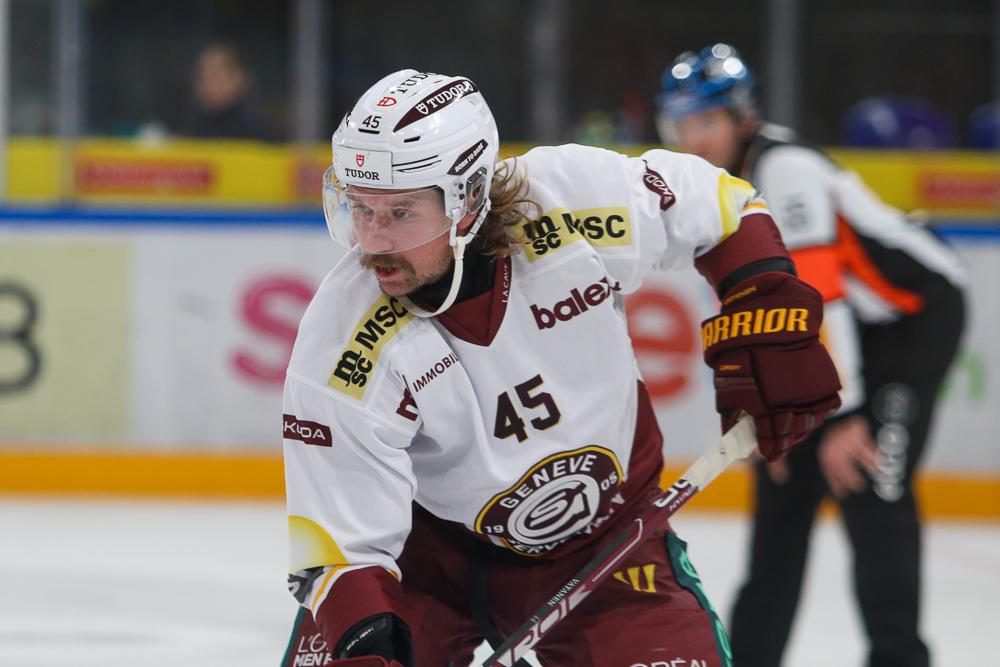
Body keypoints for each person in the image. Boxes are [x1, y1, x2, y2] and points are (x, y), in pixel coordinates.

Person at [280, 69, 841, 667]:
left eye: (400, 213)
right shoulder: (339, 346)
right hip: (422, 564)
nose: (371, 242)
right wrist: (366, 643)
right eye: (358, 208)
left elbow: (723, 207)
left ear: (468, 199)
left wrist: (766, 307)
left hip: (607, 542)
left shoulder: (566, 201)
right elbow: (340, 549)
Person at [657, 45, 967, 667]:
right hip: (837, 337)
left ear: (742, 118)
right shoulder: (710, 188)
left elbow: (823, 296)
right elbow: (748, 307)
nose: (693, 139)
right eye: (681, 124)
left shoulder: (787, 167)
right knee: (783, 499)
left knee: (871, 484)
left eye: (707, 121)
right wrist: (763, 409)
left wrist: (843, 417)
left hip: (910, 321)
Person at [181, 42, 265, 140]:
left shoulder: (255, 129)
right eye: (202, 76)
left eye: (216, 76)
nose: (208, 84)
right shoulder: (190, 126)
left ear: (239, 78)